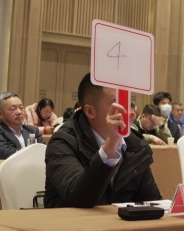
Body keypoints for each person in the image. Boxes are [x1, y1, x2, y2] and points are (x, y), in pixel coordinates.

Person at [44, 73, 162, 208]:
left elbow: (153, 201)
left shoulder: (134, 144)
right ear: (90, 111)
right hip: (71, 220)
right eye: (116, 104)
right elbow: (78, 198)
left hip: (118, 221)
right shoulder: (62, 142)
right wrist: (111, 144)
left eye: (127, 103)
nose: (127, 112)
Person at [0, 92, 39, 159]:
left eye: (21, 108)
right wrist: (32, 155)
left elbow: (44, 152)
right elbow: (6, 154)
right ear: (0, 114)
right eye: (13, 109)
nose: (19, 112)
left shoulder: (32, 130)